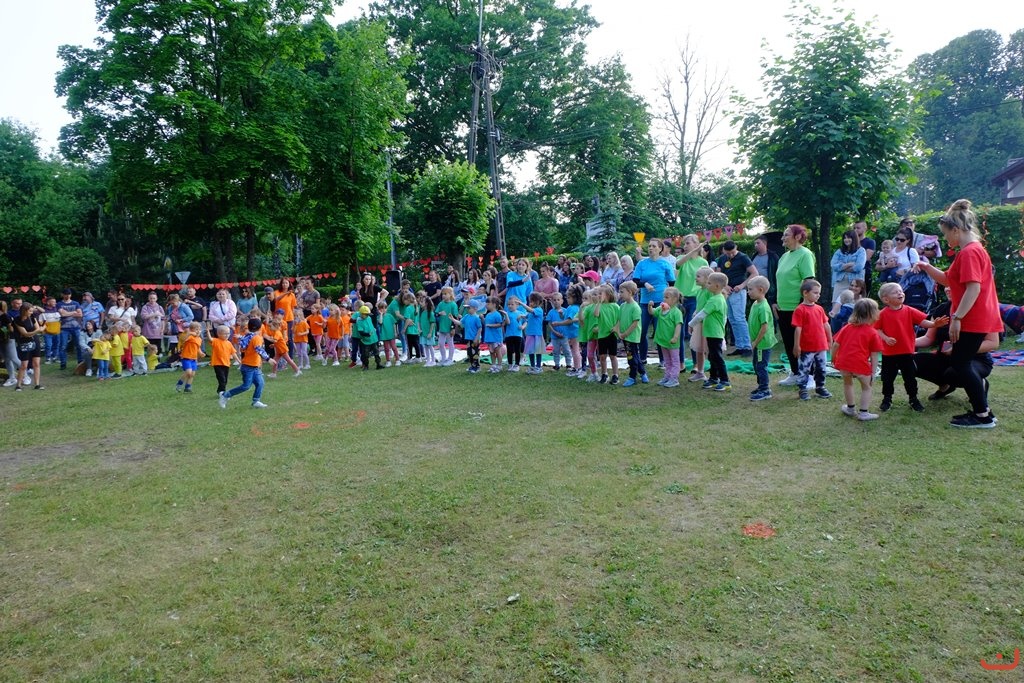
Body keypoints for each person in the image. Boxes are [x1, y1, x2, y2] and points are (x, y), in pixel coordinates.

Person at [914, 199, 1001, 428]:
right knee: (961, 362)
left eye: (945, 234)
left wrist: (957, 318)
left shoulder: (970, 252)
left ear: (956, 229)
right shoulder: (970, 251)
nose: (945, 239)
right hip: (975, 317)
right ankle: (984, 412)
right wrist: (926, 266)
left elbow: (974, 289)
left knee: (961, 364)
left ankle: (982, 415)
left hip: (974, 318)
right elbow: (948, 279)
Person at [875, 282, 946, 413]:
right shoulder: (882, 314)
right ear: (886, 299)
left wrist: (934, 324)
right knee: (887, 378)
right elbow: (877, 329)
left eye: (901, 291)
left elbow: (923, 321)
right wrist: (885, 338)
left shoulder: (909, 310)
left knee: (910, 377)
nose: (900, 293)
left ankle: (913, 399)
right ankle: (887, 399)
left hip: (907, 351)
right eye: (895, 292)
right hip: (889, 353)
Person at [775, 225, 816, 386]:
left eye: (786, 235)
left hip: (798, 306)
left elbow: (808, 280)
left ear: (798, 237)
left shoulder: (805, 254)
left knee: (803, 342)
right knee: (788, 341)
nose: (783, 238)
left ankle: (810, 376)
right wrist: (775, 302)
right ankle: (795, 372)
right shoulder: (784, 256)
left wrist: (803, 304)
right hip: (783, 306)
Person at [832, 298, 884, 421]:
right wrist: (872, 372)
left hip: (844, 363)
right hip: (860, 364)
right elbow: (874, 355)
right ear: (872, 314)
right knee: (867, 387)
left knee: (847, 383)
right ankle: (863, 413)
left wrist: (834, 358)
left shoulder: (846, 328)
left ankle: (850, 409)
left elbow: (835, 345)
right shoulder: (872, 332)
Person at [633, 239, 676, 366]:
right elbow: (635, 281)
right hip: (645, 301)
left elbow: (672, 282)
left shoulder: (665, 263)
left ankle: (663, 360)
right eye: (649, 246)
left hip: (661, 301)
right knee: (642, 331)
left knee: (660, 331)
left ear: (660, 249)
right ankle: (643, 358)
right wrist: (645, 284)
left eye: (654, 246)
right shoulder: (642, 263)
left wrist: (670, 299)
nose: (650, 248)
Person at [713, 240, 758, 356]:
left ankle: (747, 346)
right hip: (726, 292)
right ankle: (740, 346)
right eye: (728, 253)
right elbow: (719, 275)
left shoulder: (743, 257)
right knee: (732, 319)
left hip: (739, 291)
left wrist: (742, 285)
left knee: (739, 318)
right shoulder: (722, 258)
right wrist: (725, 286)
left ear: (736, 247)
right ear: (724, 250)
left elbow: (754, 273)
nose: (731, 255)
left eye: (733, 252)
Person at [791, 279, 832, 401]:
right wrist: (797, 345)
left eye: (819, 293)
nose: (818, 295)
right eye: (815, 293)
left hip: (821, 345)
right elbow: (798, 328)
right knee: (804, 368)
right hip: (807, 346)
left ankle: (820, 387)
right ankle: (802, 389)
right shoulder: (800, 309)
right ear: (805, 293)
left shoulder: (819, 309)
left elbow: (826, 324)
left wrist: (830, 340)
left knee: (821, 368)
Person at [219, 317, 271, 409]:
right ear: (260, 328)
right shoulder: (257, 338)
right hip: (249, 366)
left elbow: (243, 345)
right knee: (246, 386)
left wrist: (240, 338)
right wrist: (268, 358)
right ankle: (225, 395)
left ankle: (256, 401)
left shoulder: (248, 336)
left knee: (260, 383)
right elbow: (259, 349)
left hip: (253, 366)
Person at [690, 274, 729, 391]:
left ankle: (725, 381)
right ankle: (713, 378)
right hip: (712, 333)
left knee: (717, 357)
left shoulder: (715, 300)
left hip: (715, 333)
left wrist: (690, 324)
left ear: (716, 286)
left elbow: (701, 314)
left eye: (709, 283)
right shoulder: (719, 298)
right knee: (712, 356)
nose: (707, 285)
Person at [747, 276, 777, 401]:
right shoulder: (756, 303)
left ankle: (765, 390)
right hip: (757, 343)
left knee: (761, 366)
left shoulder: (763, 307)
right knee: (756, 364)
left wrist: (755, 342)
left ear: (760, 290)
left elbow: (764, 327)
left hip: (762, 344)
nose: (748, 292)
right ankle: (761, 386)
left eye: (750, 289)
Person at [647, 286, 683, 388]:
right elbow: (652, 312)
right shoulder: (661, 309)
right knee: (667, 360)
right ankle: (667, 377)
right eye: (664, 297)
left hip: (672, 342)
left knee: (674, 360)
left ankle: (674, 379)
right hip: (663, 340)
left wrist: (675, 337)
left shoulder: (676, 312)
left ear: (674, 299)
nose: (664, 299)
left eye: (667, 297)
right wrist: (649, 306)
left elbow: (678, 325)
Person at [677, 234, 709, 343]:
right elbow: (678, 264)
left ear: (696, 244)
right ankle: (679, 354)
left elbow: (707, 279)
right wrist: (694, 251)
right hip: (680, 298)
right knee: (679, 328)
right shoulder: (681, 258)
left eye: (687, 243)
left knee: (693, 328)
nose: (685, 246)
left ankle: (695, 353)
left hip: (695, 298)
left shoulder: (703, 262)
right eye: (684, 244)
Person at [614, 281, 645, 387]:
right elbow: (619, 320)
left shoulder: (635, 307)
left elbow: (635, 323)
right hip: (625, 337)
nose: (620, 294)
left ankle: (632, 377)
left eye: (622, 292)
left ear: (630, 292)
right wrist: (618, 331)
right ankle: (643, 373)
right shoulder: (622, 306)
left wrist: (625, 334)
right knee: (634, 355)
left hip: (632, 337)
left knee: (631, 358)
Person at [688, 266, 713, 383]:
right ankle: (700, 372)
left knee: (710, 349)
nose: (695, 278)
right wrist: (694, 318)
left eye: (698, 276)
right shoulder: (699, 291)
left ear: (707, 278)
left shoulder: (709, 292)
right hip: (699, 324)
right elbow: (698, 308)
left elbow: (707, 309)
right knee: (699, 348)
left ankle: (714, 373)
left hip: (708, 325)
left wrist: (694, 321)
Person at [12, 303, 45, 391]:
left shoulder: (32, 317)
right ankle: (18, 385)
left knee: (36, 363)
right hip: (24, 343)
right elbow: (25, 333)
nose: (31, 312)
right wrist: (38, 330)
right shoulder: (17, 319)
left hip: (35, 341)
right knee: (24, 365)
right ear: (24, 311)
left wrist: (35, 331)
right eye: (30, 311)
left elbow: (36, 328)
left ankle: (37, 384)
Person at [592, 285, 620, 383]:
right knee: (602, 356)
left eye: (601, 293)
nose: (599, 295)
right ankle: (604, 374)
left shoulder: (615, 306)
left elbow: (619, 319)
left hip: (612, 334)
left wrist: (616, 327)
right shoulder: (599, 306)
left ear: (607, 295)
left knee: (613, 356)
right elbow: (596, 314)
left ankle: (615, 375)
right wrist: (599, 302)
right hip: (602, 335)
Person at [830, 229, 866, 305]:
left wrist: (841, 267)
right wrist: (849, 264)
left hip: (855, 284)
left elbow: (859, 267)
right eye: (845, 238)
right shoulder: (839, 251)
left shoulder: (861, 251)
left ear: (854, 238)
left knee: (853, 305)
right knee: (836, 304)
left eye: (849, 238)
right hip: (840, 281)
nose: (846, 240)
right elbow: (833, 266)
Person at [554, 285, 582, 377]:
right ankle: (577, 367)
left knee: (575, 350)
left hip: (574, 332)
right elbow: (567, 318)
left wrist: (558, 323)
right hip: (572, 333)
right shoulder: (572, 307)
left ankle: (577, 368)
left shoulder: (573, 308)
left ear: (575, 298)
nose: (567, 299)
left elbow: (569, 321)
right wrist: (562, 315)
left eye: (569, 298)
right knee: (574, 350)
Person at [210, 324, 240, 396]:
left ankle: (220, 390)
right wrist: (208, 331)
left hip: (226, 364)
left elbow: (233, 353)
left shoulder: (229, 343)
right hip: (217, 364)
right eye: (225, 334)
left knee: (225, 379)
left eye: (228, 333)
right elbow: (210, 339)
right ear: (219, 334)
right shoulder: (216, 341)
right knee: (221, 378)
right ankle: (222, 392)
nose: (227, 335)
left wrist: (239, 361)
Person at [175, 321, 205, 393]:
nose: (198, 331)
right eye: (196, 329)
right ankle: (179, 384)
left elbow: (197, 347)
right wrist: (189, 333)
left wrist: (201, 353)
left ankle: (188, 387)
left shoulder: (199, 339)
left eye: (199, 329)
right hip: (186, 357)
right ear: (191, 330)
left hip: (194, 358)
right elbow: (183, 339)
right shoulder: (189, 337)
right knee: (188, 372)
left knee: (192, 374)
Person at [57, 288, 83, 369]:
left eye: (69, 294)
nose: (67, 296)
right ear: (62, 295)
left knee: (79, 345)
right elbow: (62, 314)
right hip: (64, 328)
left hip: (76, 326)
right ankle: (63, 363)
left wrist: (67, 313)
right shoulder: (59, 304)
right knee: (63, 346)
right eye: (66, 294)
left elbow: (80, 314)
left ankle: (80, 362)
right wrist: (74, 312)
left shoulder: (76, 303)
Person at [522, 292, 547, 375]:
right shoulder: (531, 312)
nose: (531, 303)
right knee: (530, 351)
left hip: (537, 334)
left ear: (538, 302)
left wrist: (522, 304)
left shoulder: (539, 310)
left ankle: (538, 367)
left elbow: (531, 310)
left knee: (538, 351)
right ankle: (532, 366)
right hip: (530, 333)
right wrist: (521, 316)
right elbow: (527, 315)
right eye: (530, 301)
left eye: (533, 301)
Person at [546, 292, 570, 373]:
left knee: (567, 350)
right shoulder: (551, 312)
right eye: (554, 300)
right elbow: (549, 324)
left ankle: (569, 365)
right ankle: (556, 365)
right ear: (552, 301)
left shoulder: (565, 311)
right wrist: (555, 332)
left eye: (558, 300)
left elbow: (567, 321)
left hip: (564, 335)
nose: (556, 301)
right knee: (556, 351)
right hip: (555, 336)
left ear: (562, 301)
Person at [483, 296, 507, 372]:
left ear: (494, 304)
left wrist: (491, 325)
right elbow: (485, 323)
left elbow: (500, 324)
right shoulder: (488, 314)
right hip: (489, 337)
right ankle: (493, 364)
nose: (486, 305)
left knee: (497, 351)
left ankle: (499, 365)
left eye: (488, 304)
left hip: (496, 337)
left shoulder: (497, 314)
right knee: (491, 352)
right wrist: (482, 319)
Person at [354, 305, 383, 370]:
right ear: (361, 314)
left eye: (368, 314)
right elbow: (360, 332)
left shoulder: (369, 318)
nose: (367, 316)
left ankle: (378, 364)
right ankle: (366, 366)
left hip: (374, 339)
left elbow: (373, 323)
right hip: (366, 341)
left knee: (376, 352)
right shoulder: (359, 321)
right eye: (366, 314)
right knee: (365, 354)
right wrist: (367, 334)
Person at [458, 300, 483, 373]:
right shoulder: (466, 316)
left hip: (475, 339)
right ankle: (472, 365)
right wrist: (453, 319)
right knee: (469, 353)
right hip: (468, 338)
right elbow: (460, 322)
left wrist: (477, 338)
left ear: (475, 308)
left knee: (475, 353)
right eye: (467, 308)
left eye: (469, 308)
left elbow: (480, 328)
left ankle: (477, 367)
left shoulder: (476, 318)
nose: (467, 309)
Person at [504, 295, 526, 372]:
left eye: (512, 304)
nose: (510, 306)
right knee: (509, 350)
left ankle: (517, 364)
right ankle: (510, 364)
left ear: (517, 305)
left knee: (517, 350)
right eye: (508, 304)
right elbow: (507, 323)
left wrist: (523, 327)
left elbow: (526, 321)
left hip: (518, 335)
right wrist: (506, 315)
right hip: (509, 335)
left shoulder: (521, 313)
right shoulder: (507, 313)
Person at [853, 221, 876, 293]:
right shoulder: (851, 242)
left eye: (858, 228)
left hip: (865, 272)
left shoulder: (870, 242)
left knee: (863, 295)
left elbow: (866, 258)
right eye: (854, 228)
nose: (855, 230)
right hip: (851, 272)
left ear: (865, 229)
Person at [41, 297, 62, 364]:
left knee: (56, 345)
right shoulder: (43, 311)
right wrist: (44, 330)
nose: (55, 303)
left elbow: (60, 320)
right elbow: (41, 322)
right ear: (48, 303)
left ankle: (55, 357)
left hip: (57, 332)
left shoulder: (57, 310)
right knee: (48, 345)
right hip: (47, 333)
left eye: (55, 301)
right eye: (53, 302)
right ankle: (48, 358)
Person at [418, 292, 437, 367]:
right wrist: (419, 329)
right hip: (423, 333)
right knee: (425, 346)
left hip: (429, 333)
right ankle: (428, 360)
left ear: (426, 303)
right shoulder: (422, 312)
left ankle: (433, 360)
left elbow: (432, 323)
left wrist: (430, 333)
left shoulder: (430, 313)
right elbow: (419, 322)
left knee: (430, 346)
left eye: (422, 302)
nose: (420, 303)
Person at [379, 301, 400, 367]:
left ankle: (398, 360)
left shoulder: (390, 316)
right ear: (379, 309)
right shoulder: (379, 317)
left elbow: (394, 324)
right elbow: (380, 322)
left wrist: (395, 332)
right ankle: (388, 361)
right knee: (386, 348)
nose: (383, 309)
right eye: (381, 308)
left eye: (385, 308)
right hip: (384, 335)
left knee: (394, 347)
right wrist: (381, 315)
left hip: (391, 334)